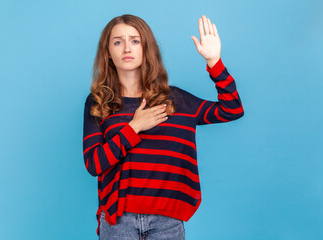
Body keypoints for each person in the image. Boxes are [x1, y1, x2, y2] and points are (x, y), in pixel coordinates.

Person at [83, 14, 244, 239]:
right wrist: (134, 127)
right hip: (118, 221)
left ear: (146, 48)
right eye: (118, 42)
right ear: (108, 52)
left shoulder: (177, 100)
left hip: (167, 221)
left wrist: (214, 63)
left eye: (135, 41)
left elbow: (232, 109)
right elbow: (93, 164)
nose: (127, 48)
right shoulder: (98, 102)